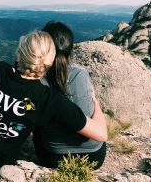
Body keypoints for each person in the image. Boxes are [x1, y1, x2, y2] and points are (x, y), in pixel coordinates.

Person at [0, 30, 107, 169]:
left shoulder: (0, 69)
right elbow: (101, 135)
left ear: (19, 52)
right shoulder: (48, 99)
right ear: (50, 62)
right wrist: (96, 103)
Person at [33, 22, 107, 169]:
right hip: (92, 158)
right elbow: (99, 129)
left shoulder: (37, 79)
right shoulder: (80, 74)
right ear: (70, 48)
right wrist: (97, 105)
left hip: (52, 157)